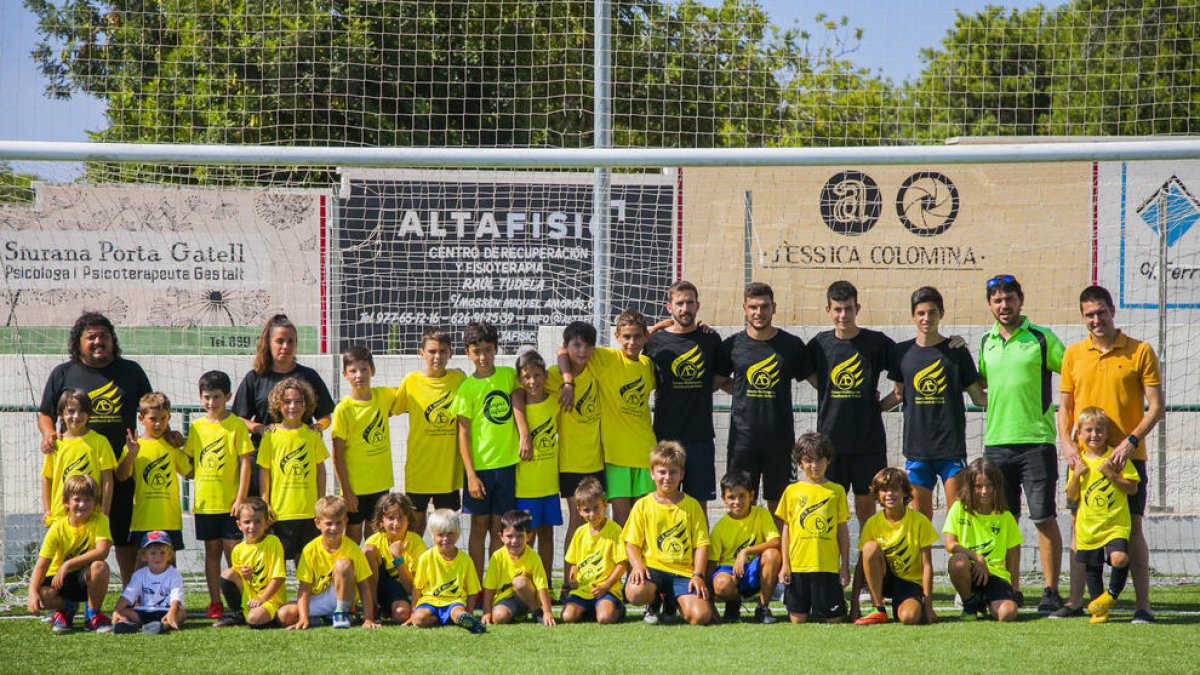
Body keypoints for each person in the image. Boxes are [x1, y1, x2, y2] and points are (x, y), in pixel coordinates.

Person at [1055, 285, 1163, 623]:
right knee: (1078, 526)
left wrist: (1129, 442)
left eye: (1101, 312)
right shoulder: (1073, 353)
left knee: (1132, 527)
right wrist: (1067, 445)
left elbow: (1156, 407)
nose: (1096, 320)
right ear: (1082, 317)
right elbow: (1065, 407)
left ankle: (1143, 605)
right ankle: (1076, 602)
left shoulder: (1140, 350)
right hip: (1084, 463)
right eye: (1089, 314)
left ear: (1112, 310)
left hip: (1127, 460)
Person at [38, 312, 157, 584]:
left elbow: (151, 408)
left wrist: (168, 432)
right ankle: (64, 597)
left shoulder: (131, 371)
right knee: (73, 533)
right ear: (78, 342)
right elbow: (45, 413)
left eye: (103, 336)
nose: (97, 341)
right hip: (76, 479)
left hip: (121, 470)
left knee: (122, 534)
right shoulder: (63, 373)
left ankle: (130, 593)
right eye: (90, 337)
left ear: (112, 339)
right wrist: (48, 435)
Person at [977, 274, 1067, 614]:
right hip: (996, 444)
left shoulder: (1043, 339)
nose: (1004, 305)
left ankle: (1050, 590)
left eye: (1009, 299)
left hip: (1037, 443)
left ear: (1021, 300)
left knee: (1043, 517)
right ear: (990, 305)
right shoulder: (985, 341)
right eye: (997, 300)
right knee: (1003, 519)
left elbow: (1072, 373)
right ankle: (1010, 588)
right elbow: (982, 386)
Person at [884, 286, 986, 520]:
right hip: (917, 451)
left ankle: (960, 558)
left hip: (951, 449)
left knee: (957, 521)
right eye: (921, 313)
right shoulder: (902, 352)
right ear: (913, 316)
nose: (926, 318)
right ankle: (924, 560)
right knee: (920, 523)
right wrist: (871, 408)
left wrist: (1011, 397)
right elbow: (898, 395)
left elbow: (979, 397)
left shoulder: (956, 351)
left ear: (941, 313)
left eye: (932, 312)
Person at [716, 282, 813, 514]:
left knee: (779, 506)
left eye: (764, 306)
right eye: (753, 307)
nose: (758, 313)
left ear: (774, 307)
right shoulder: (732, 345)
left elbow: (817, 380)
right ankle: (746, 551)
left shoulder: (791, 345)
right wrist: (741, 389)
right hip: (742, 442)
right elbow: (716, 382)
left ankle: (778, 551)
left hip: (780, 443)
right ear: (744, 309)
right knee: (741, 505)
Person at [806, 281, 896, 527]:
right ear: (828, 311)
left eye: (848, 308)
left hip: (868, 442)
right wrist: (827, 388)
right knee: (830, 507)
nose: (842, 315)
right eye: (837, 309)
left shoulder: (877, 343)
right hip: (830, 444)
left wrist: (884, 404)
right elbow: (803, 370)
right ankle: (833, 563)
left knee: (866, 505)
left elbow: (909, 368)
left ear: (857, 308)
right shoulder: (819, 344)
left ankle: (866, 564)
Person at [561, 309, 658, 526]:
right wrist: (568, 381)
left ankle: (642, 562)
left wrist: (661, 326)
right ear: (617, 337)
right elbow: (563, 350)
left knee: (644, 521)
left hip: (645, 453)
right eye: (626, 337)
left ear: (645, 337)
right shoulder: (606, 359)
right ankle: (622, 562)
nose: (632, 342)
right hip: (615, 458)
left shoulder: (648, 366)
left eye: (637, 337)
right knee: (622, 520)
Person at [234, 314, 335, 496]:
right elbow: (238, 418)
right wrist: (259, 428)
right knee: (262, 517)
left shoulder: (309, 376)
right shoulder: (255, 377)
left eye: (291, 341)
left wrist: (318, 427)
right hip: (263, 458)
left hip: (298, 459)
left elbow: (326, 416)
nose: (285, 346)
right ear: (269, 343)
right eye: (280, 341)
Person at [645, 280, 725, 510]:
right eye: (679, 303)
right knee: (664, 504)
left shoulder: (711, 339)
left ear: (697, 305)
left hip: (700, 437)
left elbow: (717, 380)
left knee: (698, 508)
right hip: (664, 436)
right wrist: (654, 328)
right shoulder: (654, 342)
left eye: (690, 302)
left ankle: (699, 548)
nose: (685, 308)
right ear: (669, 307)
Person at [182, 370, 253, 621]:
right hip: (204, 503)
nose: (211, 403)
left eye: (217, 397)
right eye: (207, 397)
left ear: (228, 396)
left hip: (230, 503)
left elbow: (245, 462)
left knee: (234, 553)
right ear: (200, 398)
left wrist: (240, 498)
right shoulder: (198, 427)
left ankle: (240, 601)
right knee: (211, 552)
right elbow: (189, 461)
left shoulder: (236, 425)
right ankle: (215, 603)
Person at [453, 320, 521, 578]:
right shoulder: (466, 388)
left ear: (496, 349)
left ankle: (496, 581)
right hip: (479, 470)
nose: (483, 356)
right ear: (468, 353)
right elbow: (463, 433)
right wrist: (470, 474)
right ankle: (477, 583)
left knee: (499, 527)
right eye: (476, 351)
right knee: (478, 527)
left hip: (506, 467)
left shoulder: (508, 377)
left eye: (488, 350)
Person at [623, 441, 713, 626]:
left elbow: (702, 545)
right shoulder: (643, 505)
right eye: (662, 472)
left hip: (683, 572)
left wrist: (698, 575)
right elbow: (631, 543)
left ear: (682, 474)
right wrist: (638, 566)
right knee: (634, 592)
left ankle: (672, 602)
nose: (667, 477)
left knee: (701, 617)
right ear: (652, 473)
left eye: (673, 472)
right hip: (653, 570)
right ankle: (654, 602)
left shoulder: (692, 506)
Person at [547, 321, 605, 601]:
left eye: (587, 345)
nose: (582, 351)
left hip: (597, 461)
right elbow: (558, 353)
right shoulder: (554, 375)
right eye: (576, 345)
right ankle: (569, 581)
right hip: (569, 462)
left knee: (597, 524)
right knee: (578, 521)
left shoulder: (596, 367)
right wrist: (567, 380)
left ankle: (596, 577)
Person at [1065, 408, 1138, 624]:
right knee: (1093, 569)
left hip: (1115, 524)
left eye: (1099, 430)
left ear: (1107, 433)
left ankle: (1111, 595)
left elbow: (1132, 488)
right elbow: (1072, 495)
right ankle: (1099, 608)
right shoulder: (1078, 462)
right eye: (1088, 430)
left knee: (1120, 558)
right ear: (1079, 433)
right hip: (1088, 527)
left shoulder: (1116, 457)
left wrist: (1112, 475)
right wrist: (1076, 476)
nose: (1094, 435)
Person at [393, 328, 466, 536]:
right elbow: (391, 408)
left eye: (443, 351)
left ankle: (443, 567)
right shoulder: (411, 381)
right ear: (421, 353)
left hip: (447, 472)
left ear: (451, 353)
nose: (437, 356)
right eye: (432, 351)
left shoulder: (459, 380)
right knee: (414, 528)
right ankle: (412, 568)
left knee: (447, 529)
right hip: (419, 470)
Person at [776, 432, 850, 625]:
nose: (814, 466)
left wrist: (844, 565)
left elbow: (842, 530)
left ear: (828, 460)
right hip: (799, 565)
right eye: (808, 461)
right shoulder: (791, 491)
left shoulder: (837, 491)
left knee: (835, 619)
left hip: (826, 565)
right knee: (797, 619)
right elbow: (786, 529)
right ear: (800, 463)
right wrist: (785, 564)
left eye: (819, 460)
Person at [26, 474, 113, 634]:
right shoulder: (57, 528)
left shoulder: (100, 520)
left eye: (88, 500)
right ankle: (66, 608)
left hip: (84, 580)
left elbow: (102, 551)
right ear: (66, 501)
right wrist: (32, 592)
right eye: (77, 499)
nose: (82, 504)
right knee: (42, 594)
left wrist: (68, 564)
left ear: (95, 502)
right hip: (59, 581)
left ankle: (93, 615)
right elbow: (42, 564)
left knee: (100, 567)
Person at [852, 468, 938, 626]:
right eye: (884, 490)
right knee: (870, 548)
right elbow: (860, 566)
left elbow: (927, 566)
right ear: (878, 494)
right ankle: (878, 609)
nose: (890, 494)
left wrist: (928, 606)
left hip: (910, 583)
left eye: (895, 489)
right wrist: (854, 605)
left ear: (905, 492)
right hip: (884, 578)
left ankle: (909, 605)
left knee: (909, 618)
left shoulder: (920, 521)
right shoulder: (872, 523)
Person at [278, 495, 378, 630]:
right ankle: (324, 619)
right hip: (318, 598)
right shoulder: (309, 550)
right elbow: (304, 588)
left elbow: (364, 587)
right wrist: (303, 618)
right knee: (284, 616)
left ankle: (341, 613)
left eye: (338, 523)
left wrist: (369, 619)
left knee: (343, 565)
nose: (334, 528)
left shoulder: (352, 549)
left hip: (342, 597)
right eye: (329, 523)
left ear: (345, 522)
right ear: (317, 523)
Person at [257, 378, 329, 561]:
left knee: (306, 564)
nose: (293, 406)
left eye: (298, 402)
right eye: (287, 402)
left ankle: (306, 592)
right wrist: (265, 502)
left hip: (308, 511)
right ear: (278, 405)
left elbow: (320, 470)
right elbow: (264, 470)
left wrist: (321, 501)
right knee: (277, 563)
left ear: (306, 405)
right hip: (281, 512)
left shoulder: (312, 435)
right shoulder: (270, 435)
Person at [331, 344, 397, 543]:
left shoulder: (384, 396)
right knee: (352, 537)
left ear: (373, 370)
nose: (359, 375)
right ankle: (352, 574)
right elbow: (337, 454)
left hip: (380, 484)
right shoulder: (344, 409)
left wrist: (449, 374)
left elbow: (414, 389)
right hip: (355, 489)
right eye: (353, 371)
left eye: (364, 369)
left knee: (375, 539)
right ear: (345, 374)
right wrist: (347, 491)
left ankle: (372, 576)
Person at [943, 458, 1022, 622]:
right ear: (970, 487)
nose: (984, 491)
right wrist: (976, 557)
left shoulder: (1005, 517)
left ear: (996, 486)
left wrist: (1014, 590)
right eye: (978, 486)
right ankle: (969, 602)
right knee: (957, 561)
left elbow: (1013, 555)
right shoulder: (959, 509)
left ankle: (987, 602)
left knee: (1008, 614)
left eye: (989, 485)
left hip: (995, 575)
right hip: (969, 570)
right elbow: (950, 544)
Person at [117, 393, 193, 554]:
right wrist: (131, 454)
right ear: (141, 418)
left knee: (169, 564)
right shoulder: (134, 447)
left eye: (163, 418)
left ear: (169, 417)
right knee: (142, 562)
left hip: (169, 521)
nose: (158, 424)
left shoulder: (171, 446)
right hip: (143, 521)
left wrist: (188, 445)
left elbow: (190, 473)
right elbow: (121, 476)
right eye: (153, 419)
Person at [511, 350, 562, 585]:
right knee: (526, 537)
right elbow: (516, 397)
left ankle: (547, 582)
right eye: (527, 377)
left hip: (549, 484)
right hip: (526, 487)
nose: (533, 381)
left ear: (544, 375)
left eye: (538, 375)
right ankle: (526, 580)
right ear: (521, 379)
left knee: (547, 534)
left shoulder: (554, 403)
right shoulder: (517, 408)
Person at [709, 469, 782, 624]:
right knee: (722, 585)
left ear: (751, 495)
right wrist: (709, 602)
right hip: (730, 571)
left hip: (754, 569)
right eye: (731, 497)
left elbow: (776, 541)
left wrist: (746, 551)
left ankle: (762, 607)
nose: (737, 501)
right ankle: (734, 602)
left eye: (742, 495)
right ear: (724, 499)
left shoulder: (761, 514)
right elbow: (712, 564)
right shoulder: (720, 527)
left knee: (772, 554)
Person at [41, 389, 116, 526]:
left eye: (82, 411)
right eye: (71, 411)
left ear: (89, 415)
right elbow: (47, 478)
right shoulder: (56, 444)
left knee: (95, 548)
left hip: (91, 517)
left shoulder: (100, 442)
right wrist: (48, 510)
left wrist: (104, 511)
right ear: (61, 415)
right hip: (60, 517)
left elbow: (107, 479)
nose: (76, 416)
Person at [216, 497, 291, 628]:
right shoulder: (238, 549)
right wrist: (244, 574)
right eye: (247, 522)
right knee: (228, 574)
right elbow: (238, 581)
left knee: (254, 619)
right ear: (239, 525)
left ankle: (275, 616)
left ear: (266, 523)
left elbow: (278, 578)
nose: (252, 526)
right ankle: (237, 614)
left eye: (257, 521)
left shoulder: (272, 542)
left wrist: (261, 600)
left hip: (270, 600)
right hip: (250, 601)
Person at [407, 508, 486, 633]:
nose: (445, 538)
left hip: (454, 602)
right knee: (419, 619)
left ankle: (464, 620)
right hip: (430, 601)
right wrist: (413, 612)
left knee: (458, 612)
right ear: (432, 535)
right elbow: (417, 588)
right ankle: (442, 619)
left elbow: (472, 591)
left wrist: (469, 612)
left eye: (450, 533)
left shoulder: (466, 560)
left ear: (458, 533)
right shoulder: (426, 558)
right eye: (440, 534)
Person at [561, 477, 628, 624]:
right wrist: (572, 580)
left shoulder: (615, 530)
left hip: (607, 589)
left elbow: (622, 563)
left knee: (605, 618)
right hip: (584, 590)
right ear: (579, 511)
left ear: (605, 505)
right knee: (567, 616)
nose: (592, 514)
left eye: (596, 508)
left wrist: (607, 585)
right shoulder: (579, 533)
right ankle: (591, 609)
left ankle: (618, 608)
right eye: (587, 510)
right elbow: (573, 563)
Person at [481, 509, 556, 626]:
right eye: (509, 536)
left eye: (520, 536)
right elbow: (489, 587)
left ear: (529, 536)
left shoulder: (534, 557)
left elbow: (542, 586)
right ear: (501, 536)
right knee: (498, 618)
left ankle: (536, 611)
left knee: (519, 582)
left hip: (527, 598)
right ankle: (515, 614)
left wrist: (547, 612)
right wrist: (486, 612)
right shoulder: (497, 557)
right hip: (505, 599)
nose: (514, 541)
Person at [362, 492, 427, 624]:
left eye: (401, 518)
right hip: (377, 587)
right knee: (368, 550)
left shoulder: (417, 543)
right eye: (391, 518)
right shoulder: (374, 541)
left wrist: (398, 558)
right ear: (381, 520)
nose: (396, 523)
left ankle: (389, 610)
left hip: (401, 591)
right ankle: (373, 608)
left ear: (409, 519)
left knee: (402, 614)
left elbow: (411, 588)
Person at [111, 530, 186, 634]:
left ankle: (162, 626)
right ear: (143, 556)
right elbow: (128, 595)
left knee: (181, 614)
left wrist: (171, 613)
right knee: (124, 612)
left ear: (169, 555)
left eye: (163, 552)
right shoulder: (139, 575)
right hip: (144, 611)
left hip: (166, 611)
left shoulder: (174, 574)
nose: (158, 557)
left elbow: (176, 598)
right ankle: (126, 624)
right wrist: (116, 611)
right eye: (153, 553)